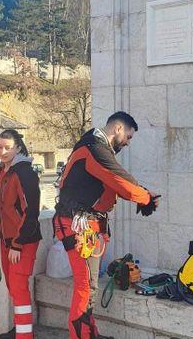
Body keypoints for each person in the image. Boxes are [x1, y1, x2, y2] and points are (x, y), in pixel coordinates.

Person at [53, 111, 160, 339]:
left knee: (90, 286)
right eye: (128, 137)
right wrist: (145, 197)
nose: (128, 143)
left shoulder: (96, 146)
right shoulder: (94, 147)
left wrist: (143, 194)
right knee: (85, 287)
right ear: (118, 129)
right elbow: (118, 179)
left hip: (83, 226)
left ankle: (89, 332)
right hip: (77, 226)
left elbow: (116, 180)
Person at [0, 129, 41, 339]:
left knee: (19, 290)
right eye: (0, 147)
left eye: (8, 148)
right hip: (6, 241)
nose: (3, 152)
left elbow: (32, 211)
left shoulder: (25, 173)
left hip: (24, 240)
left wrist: (18, 243)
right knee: (12, 287)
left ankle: (24, 336)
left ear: (18, 148)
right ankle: (22, 332)